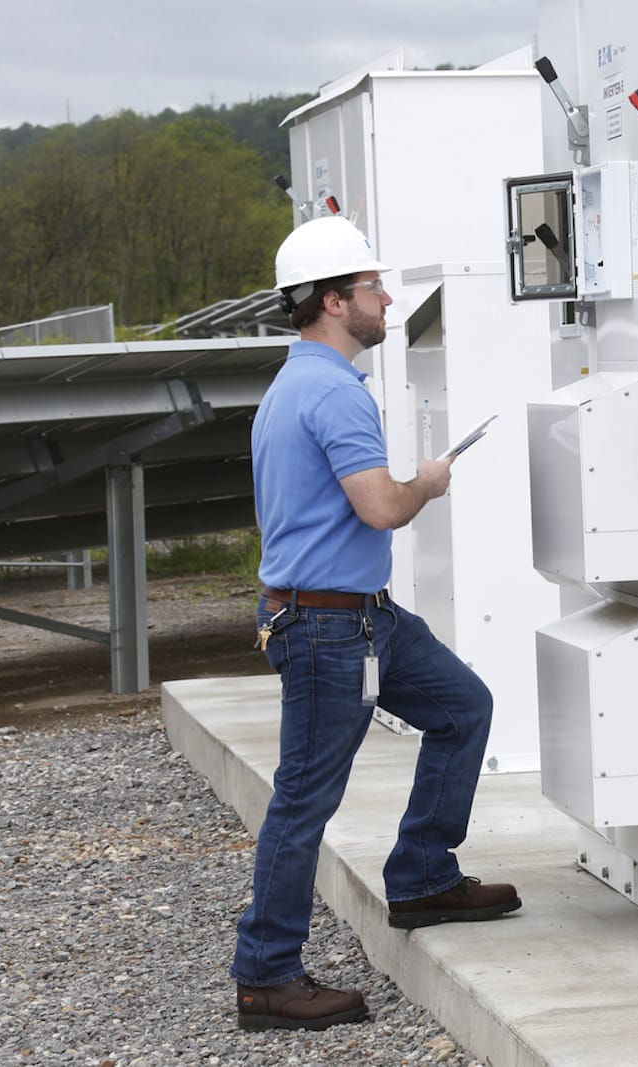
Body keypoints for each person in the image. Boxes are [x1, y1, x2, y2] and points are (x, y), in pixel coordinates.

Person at [231, 216, 520, 1032]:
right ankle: (265, 975)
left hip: (358, 616)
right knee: (304, 801)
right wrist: (427, 479)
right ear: (333, 301)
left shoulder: (291, 385)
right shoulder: (333, 393)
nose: (387, 298)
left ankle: (423, 876)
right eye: (371, 286)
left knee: (462, 706)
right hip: (330, 628)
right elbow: (382, 507)